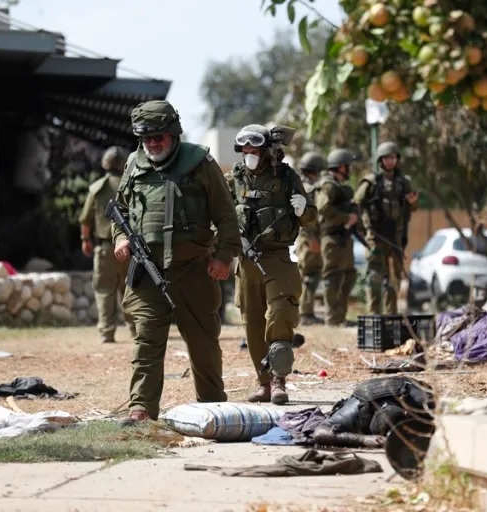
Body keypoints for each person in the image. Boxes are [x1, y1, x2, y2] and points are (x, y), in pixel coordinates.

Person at [111, 100, 241, 424]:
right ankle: (141, 409)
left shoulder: (201, 162)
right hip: (146, 272)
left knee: (203, 344)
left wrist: (224, 256)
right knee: (146, 342)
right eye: (146, 138)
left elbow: (226, 215)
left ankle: (213, 404)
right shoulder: (133, 164)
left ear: (174, 133)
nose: (153, 144)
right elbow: (120, 211)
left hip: (194, 270)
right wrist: (120, 239)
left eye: (159, 136)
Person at [226, 124, 317, 405]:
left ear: (265, 150)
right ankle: (263, 383)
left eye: (254, 149)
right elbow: (219, 216)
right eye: (244, 149)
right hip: (245, 262)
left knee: (279, 316)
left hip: (277, 257)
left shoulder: (287, 177)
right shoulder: (234, 179)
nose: (248, 154)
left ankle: (279, 381)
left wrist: (303, 208)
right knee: (252, 324)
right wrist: (229, 240)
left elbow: (310, 218)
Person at [353, 141, 419, 314]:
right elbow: (357, 203)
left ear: (397, 159)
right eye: (386, 158)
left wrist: (413, 203)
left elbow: (411, 207)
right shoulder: (371, 181)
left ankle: (391, 315)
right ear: (380, 160)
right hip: (376, 236)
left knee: (393, 279)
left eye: (393, 157)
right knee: (375, 277)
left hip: (395, 238)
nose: (390, 161)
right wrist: (365, 226)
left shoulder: (404, 182)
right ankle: (374, 314)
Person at [79, 146, 135, 344]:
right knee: (131, 288)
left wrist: (85, 240)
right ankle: (135, 329)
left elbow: (85, 219)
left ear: (105, 164)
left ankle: (107, 332)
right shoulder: (132, 184)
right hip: (130, 248)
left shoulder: (97, 188)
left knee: (104, 290)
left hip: (104, 248)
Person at [316, 148, 359, 327]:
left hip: (344, 238)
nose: (349, 169)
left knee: (348, 276)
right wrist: (345, 218)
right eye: (347, 166)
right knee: (333, 277)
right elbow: (322, 207)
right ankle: (333, 318)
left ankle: (340, 317)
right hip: (332, 239)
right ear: (341, 166)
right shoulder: (329, 186)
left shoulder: (341, 187)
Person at [294, 151, 326, 326]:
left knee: (309, 273)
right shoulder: (308, 188)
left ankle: (306, 311)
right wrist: (311, 238)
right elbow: (304, 217)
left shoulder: (304, 186)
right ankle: (305, 313)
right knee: (309, 274)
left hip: (308, 236)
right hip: (308, 237)